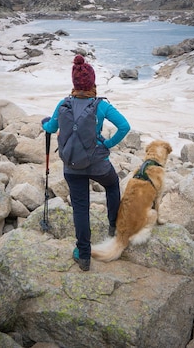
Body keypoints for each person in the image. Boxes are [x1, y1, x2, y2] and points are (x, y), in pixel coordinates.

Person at [41, 54, 130, 271]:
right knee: (112, 184)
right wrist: (107, 143)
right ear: (92, 82)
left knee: (80, 208)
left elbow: (51, 129)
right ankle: (113, 224)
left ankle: (84, 255)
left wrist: (45, 123)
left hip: (72, 165)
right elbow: (125, 126)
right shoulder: (101, 106)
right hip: (98, 163)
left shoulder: (64, 104)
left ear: (74, 83)